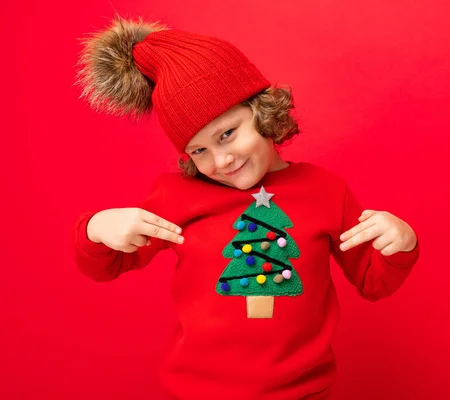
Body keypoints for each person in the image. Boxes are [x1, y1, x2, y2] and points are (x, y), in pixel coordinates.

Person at [72, 14, 420, 400]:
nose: (221, 161)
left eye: (227, 134)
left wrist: (399, 243)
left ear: (261, 111)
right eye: (199, 150)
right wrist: (97, 227)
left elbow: (374, 280)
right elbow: (104, 264)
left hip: (303, 392)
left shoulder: (325, 191)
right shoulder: (177, 197)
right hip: (199, 392)